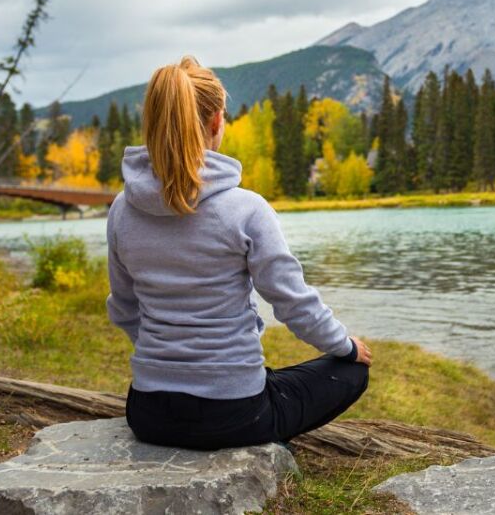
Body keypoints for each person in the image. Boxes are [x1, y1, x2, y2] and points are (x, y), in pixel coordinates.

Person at [105, 56, 372, 451]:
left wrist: (169, 363)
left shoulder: (121, 210)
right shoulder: (245, 208)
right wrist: (346, 346)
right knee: (351, 373)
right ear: (216, 123)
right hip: (233, 415)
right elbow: (293, 303)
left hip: (149, 413)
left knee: (272, 378)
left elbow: (124, 308)